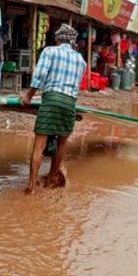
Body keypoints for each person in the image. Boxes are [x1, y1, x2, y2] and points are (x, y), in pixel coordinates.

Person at [20, 24, 87, 194]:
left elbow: (39, 76)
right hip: (69, 103)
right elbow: (77, 86)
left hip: (51, 100)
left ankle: (31, 187)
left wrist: (28, 96)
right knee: (61, 143)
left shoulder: (50, 51)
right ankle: (51, 179)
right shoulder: (81, 60)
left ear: (58, 39)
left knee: (39, 146)